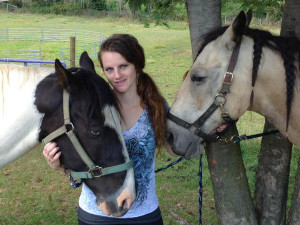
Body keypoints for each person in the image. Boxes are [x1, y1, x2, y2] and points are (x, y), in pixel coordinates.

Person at [43, 34, 177, 225]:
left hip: (144, 215)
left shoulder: (156, 106)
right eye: (109, 69)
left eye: (123, 66)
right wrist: (59, 165)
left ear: (137, 65)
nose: (116, 75)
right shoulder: (92, 107)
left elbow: (174, 149)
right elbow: (80, 157)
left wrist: (206, 130)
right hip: (96, 215)